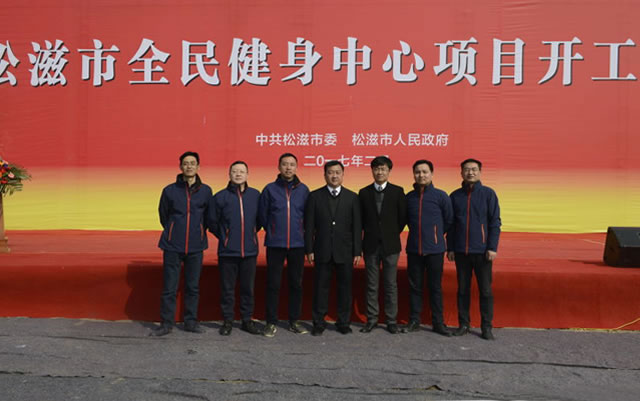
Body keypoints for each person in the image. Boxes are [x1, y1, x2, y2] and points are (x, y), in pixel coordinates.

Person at [151, 151, 212, 337]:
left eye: (193, 163)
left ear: (198, 167)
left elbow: (208, 217)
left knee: (193, 287)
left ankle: (190, 322)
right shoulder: (169, 190)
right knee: (169, 288)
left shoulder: (206, 191)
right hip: (172, 245)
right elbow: (164, 215)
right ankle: (166, 324)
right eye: (186, 163)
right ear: (180, 167)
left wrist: (198, 231)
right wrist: (173, 230)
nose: (189, 166)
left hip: (196, 246)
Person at [304, 160, 362, 336]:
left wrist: (357, 251)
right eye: (330, 172)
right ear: (325, 175)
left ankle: (343, 322)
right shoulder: (315, 196)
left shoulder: (352, 197)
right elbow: (309, 225)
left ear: (343, 175)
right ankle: (318, 322)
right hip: (322, 250)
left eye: (337, 172)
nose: (334, 176)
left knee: (345, 289)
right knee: (320, 288)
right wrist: (309, 249)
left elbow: (357, 227)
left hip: (345, 251)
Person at [447, 158, 501, 340]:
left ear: (480, 172)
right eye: (467, 169)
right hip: (461, 252)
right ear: (461, 173)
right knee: (463, 290)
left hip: (483, 252)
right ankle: (463, 324)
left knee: (485, 290)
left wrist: (492, 247)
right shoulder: (455, 196)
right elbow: (451, 225)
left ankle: (486, 326)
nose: (470, 172)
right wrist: (451, 247)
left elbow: (495, 222)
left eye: (474, 169)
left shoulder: (488, 194)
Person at [258, 153, 310, 337]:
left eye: (292, 164)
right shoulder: (270, 189)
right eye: (285, 164)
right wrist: (273, 230)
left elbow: (308, 217)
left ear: (296, 167)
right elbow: (263, 215)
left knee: (296, 284)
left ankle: (294, 321)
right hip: (275, 244)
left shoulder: (303, 190)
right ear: (279, 167)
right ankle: (271, 322)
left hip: (297, 244)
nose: (288, 168)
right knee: (273, 284)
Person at [210, 161, 262, 336]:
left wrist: (250, 234)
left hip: (249, 251)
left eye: (242, 171)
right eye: (235, 171)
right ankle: (228, 321)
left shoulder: (255, 195)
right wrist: (225, 237)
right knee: (227, 289)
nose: (238, 174)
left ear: (247, 174)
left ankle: (247, 320)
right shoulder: (220, 197)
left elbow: (260, 220)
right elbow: (212, 222)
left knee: (248, 288)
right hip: (227, 252)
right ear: (229, 174)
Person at [404, 160, 453, 336]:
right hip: (414, 250)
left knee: (435, 287)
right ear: (413, 175)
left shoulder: (441, 196)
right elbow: (406, 220)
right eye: (418, 172)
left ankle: (438, 323)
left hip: (435, 250)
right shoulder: (409, 197)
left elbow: (448, 220)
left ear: (432, 174)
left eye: (425, 172)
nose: (421, 175)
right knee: (415, 287)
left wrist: (435, 235)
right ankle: (414, 320)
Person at [358, 156, 406, 334]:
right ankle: (372, 319)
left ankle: (391, 320)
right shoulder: (364, 193)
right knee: (372, 284)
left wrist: (389, 233)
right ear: (372, 171)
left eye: (383, 169)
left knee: (390, 284)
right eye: (376, 169)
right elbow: (361, 219)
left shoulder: (397, 191)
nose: (380, 172)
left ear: (389, 171)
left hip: (391, 245)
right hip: (370, 245)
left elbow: (402, 219)